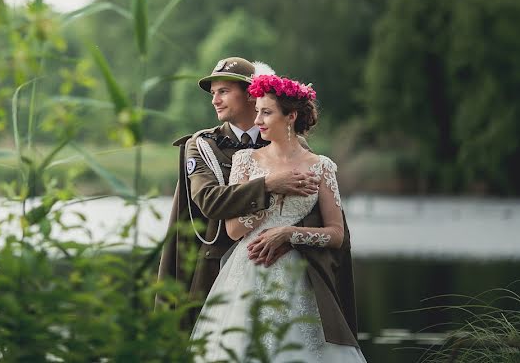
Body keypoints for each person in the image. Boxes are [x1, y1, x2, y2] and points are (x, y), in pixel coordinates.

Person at [190, 73, 366, 362]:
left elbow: (337, 234)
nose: (257, 120)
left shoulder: (321, 166)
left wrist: (289, 234)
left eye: (266, 112)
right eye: (257, 111)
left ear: (291, 116)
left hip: (300, 277)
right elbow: (234, 230)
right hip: (248, 271)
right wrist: (272, 192)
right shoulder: (244, 160)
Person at [156, 57, 320, 331]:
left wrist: (289, 238)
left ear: (249, 94)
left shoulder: (290, 140)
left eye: (223, 91)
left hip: (280, 268)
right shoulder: (202, 145)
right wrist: (268, 184)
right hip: (215, 270)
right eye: (213, 94)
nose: (215, 100)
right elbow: (210, 200)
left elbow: (311, 205)